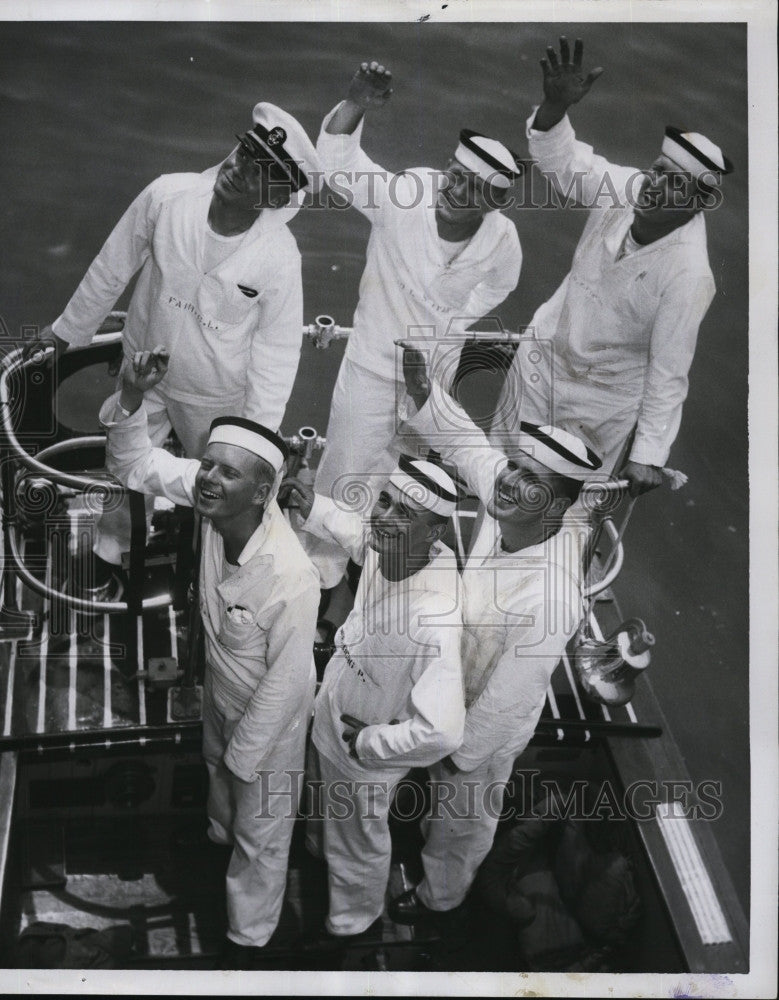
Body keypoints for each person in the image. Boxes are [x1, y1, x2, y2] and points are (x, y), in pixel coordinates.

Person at [33, 103, 321, 596]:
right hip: (142, 375)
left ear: (278, 194)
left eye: (260, 171)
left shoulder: (279, 256)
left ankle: (205, 575)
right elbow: (111, 267)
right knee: (122, 468)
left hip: (216, 401)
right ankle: (113, 550)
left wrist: (254, 436)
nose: (239, 168)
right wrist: (64, 335)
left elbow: (277, 354)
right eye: (244, 152)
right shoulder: (167, 195)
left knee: (221, 491)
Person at [99, 346, 320, 969]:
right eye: (208, 466)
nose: (208, 480)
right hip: (223, 695)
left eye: (228, 474)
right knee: (219, 782)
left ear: (265, 491)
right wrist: (133, 397)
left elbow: (288, 680)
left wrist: (249, 755)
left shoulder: (291, 576)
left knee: (263, 834)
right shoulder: (210, 498)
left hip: (271, 724)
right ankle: (215, 837)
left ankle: (249, 941)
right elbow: (134, 462)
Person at [388, 349, 604, 923]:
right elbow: (468, 446)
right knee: (429, 778)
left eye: (530, 480)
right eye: (514, 467)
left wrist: (460, 755)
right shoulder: (513, 498)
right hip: (452, 672)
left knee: (463, 818)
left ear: (556, 505)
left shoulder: (553, 598)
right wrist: (426, 392)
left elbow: (507, 701)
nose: (508, 482)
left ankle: (440, 896)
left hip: (487, 724)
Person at [305, 59, 524, 587]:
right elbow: (337, 164)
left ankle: (386, 578)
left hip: (432, 380)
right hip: (370, 369)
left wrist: (456, 320)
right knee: (342, 479)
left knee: (411, 482)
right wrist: (356, 100)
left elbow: (501, 286)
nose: (456, 191)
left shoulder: (503, 240)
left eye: (475, 189)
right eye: (456, 176)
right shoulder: (406, 194)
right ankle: (321, 579)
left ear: (496, 202)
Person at [492, 37, 733, 495]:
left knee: (565, 510)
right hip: (541, 360)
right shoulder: (626, 187)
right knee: (500, 478)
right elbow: (563, 165)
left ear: (699, 204)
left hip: (601, 402)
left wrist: (647, 457)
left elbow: (669, 371)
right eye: (657, 170)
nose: (654, 186)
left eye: (674, 184)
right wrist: (555, 107)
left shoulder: (689, 274)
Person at [284, 455, 464, 945]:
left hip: (362, 759)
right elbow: (354, 532)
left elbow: (444, 731)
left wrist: (369, 744)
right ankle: (315, 851)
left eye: (405, 513)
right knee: (322, 817)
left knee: (357, 848)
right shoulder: (392, 549)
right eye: (385, 501)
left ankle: (353, 924)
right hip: (330, 720)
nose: (385, 517)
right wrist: (312, 506)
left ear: (434, 533)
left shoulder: (436, 620)